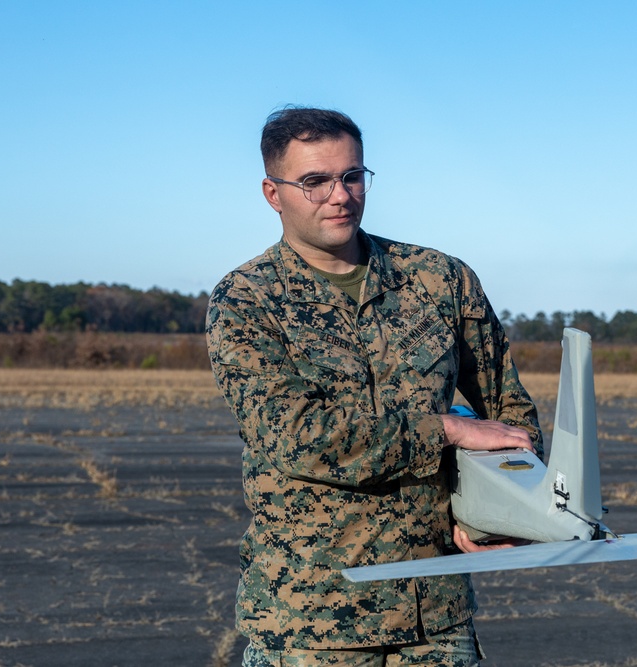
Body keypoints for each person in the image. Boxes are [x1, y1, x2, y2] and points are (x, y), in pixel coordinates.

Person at [206, 106, 542, 666]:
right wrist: (446, 430)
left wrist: (502, 508)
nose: (340, 195)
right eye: (314, 182)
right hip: (310, 617)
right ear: (273, 192)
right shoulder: (246, 301)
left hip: (434, 612)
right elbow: (297, 436)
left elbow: (508, 408)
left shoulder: (440, 279)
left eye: (352, 176)